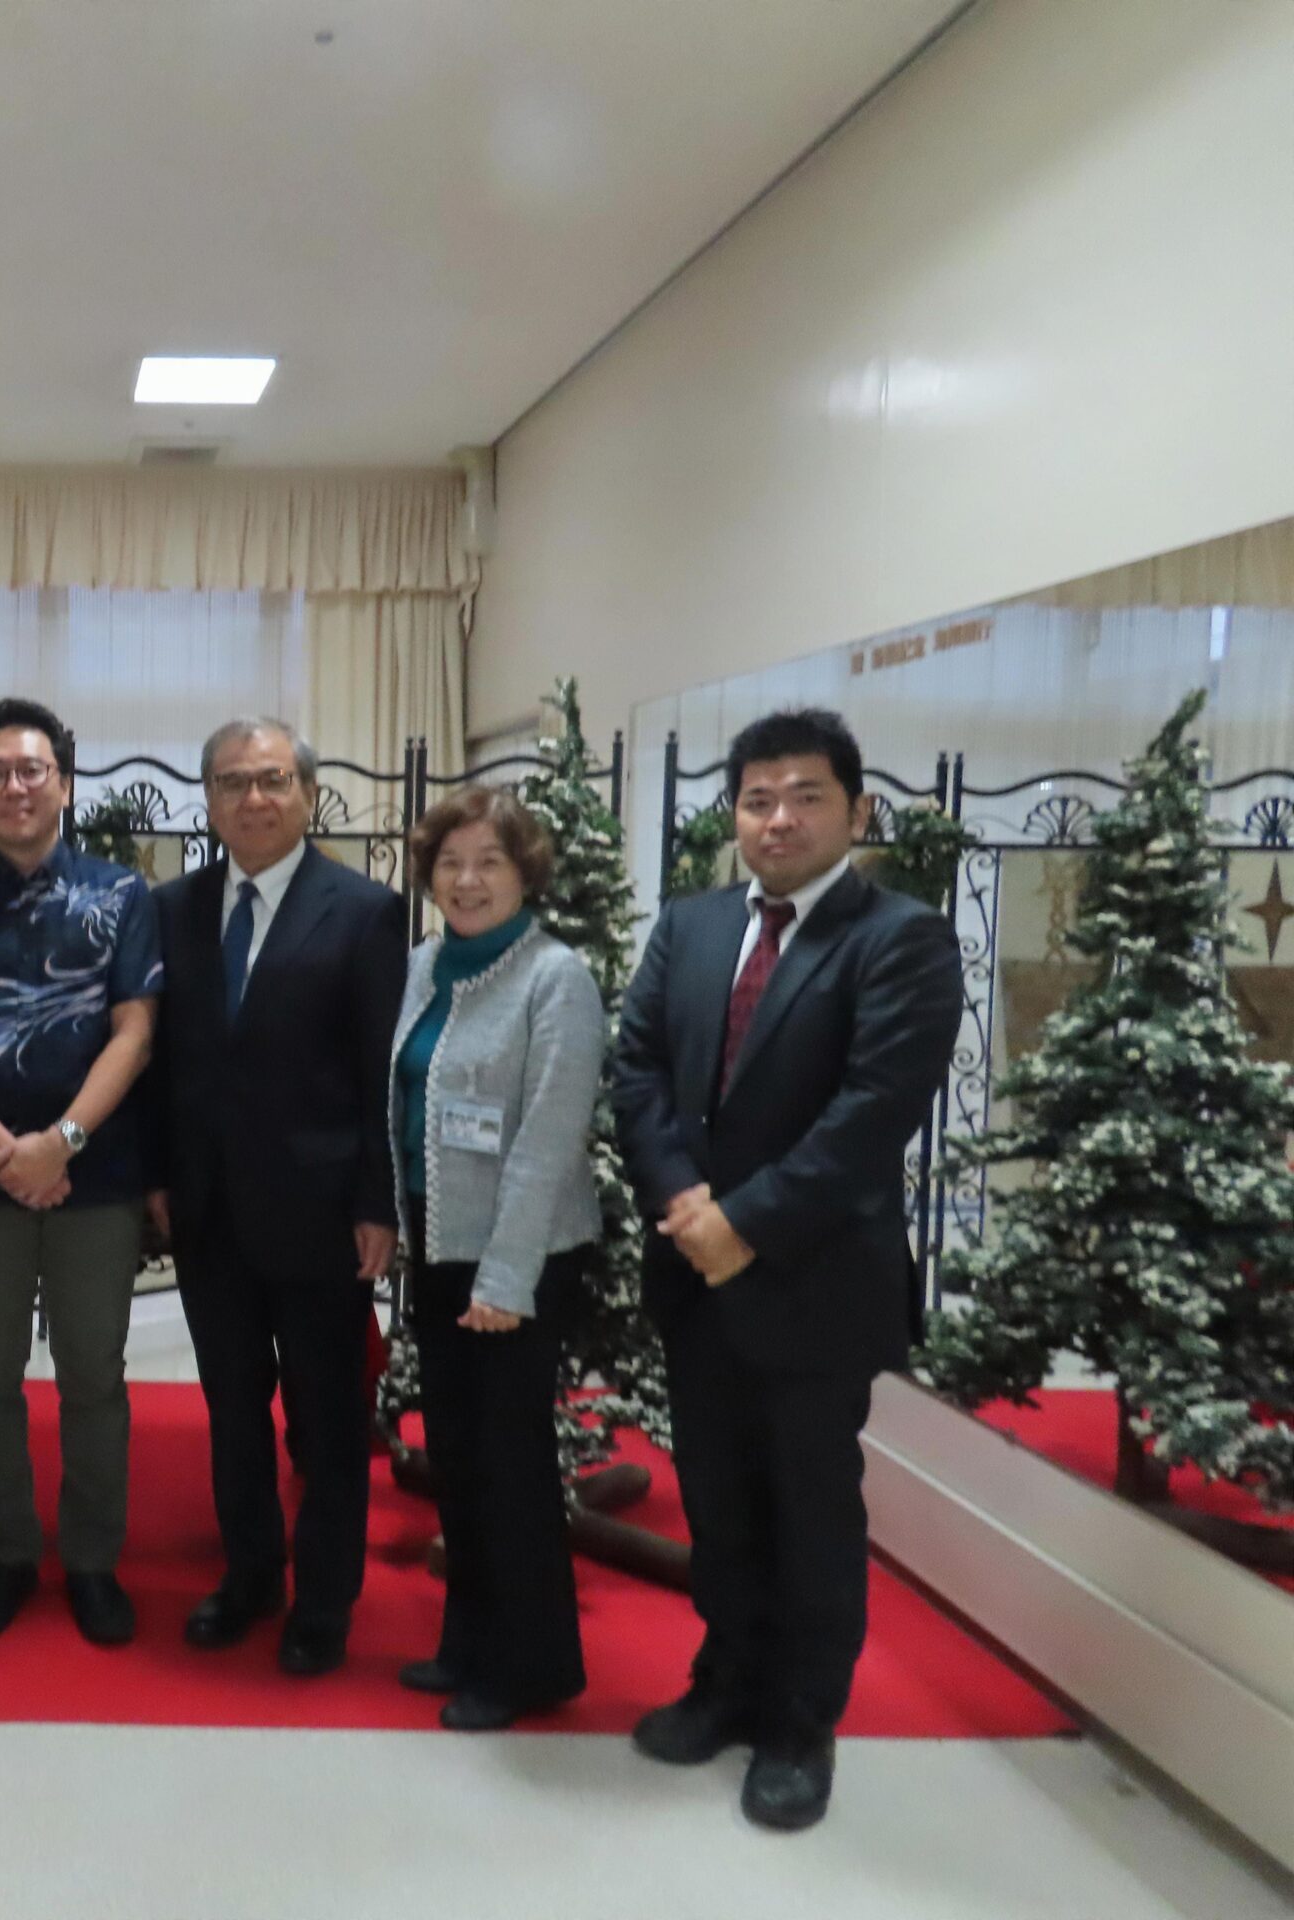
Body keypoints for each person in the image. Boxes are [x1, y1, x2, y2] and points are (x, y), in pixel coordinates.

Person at [613, 706, 960, 1830]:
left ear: (856, 811)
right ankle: (725, 1682)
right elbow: (637, 1072)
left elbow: (874, 1110)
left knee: (808, 1506)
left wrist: (746, 1224)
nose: (778, 819)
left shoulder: (899, 938)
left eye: (806, 797)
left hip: (812, 1278)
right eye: (758, 799)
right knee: (715, 1496)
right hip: (694, 1268)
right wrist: (684, 1204)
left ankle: (801, 1723)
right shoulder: (692, 924)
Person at [147, 718, 404, 1676]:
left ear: (307, 793)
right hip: (208, 1210)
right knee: (232, 1409)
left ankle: (324, 1602)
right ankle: (250, 1572)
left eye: (272, 780)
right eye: (232, 783)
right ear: (208, 801)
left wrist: (379, 1202)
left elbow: (382, 1069)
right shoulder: (171, 908)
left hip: (324, 1213)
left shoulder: (366, 911)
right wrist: (160, 1175)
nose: (253, 799)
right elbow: (159, 1062)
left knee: (328, 1419)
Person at [0, 697, 161, 1646]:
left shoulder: (122, 895)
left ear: (64, 782)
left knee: (94, 1373)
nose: (15, 786)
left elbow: (136, 1032)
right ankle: (8, 1553)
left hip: (98, 1176)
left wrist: (64, 1140)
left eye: (32, 769)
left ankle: (92, 1560)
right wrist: (8, 1152)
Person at [388, 786, 603, 1729]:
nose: (467, 881)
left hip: (518, 1259)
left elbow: (549, 1140)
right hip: (439, 1246)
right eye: (450, 863)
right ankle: (468, 1641)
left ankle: (532, 1666)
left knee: (510, 1467)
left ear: (526, 874)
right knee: (459, 1457)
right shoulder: (425, 965)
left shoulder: (556, 978)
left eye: (489, 863)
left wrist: (506, 1277)